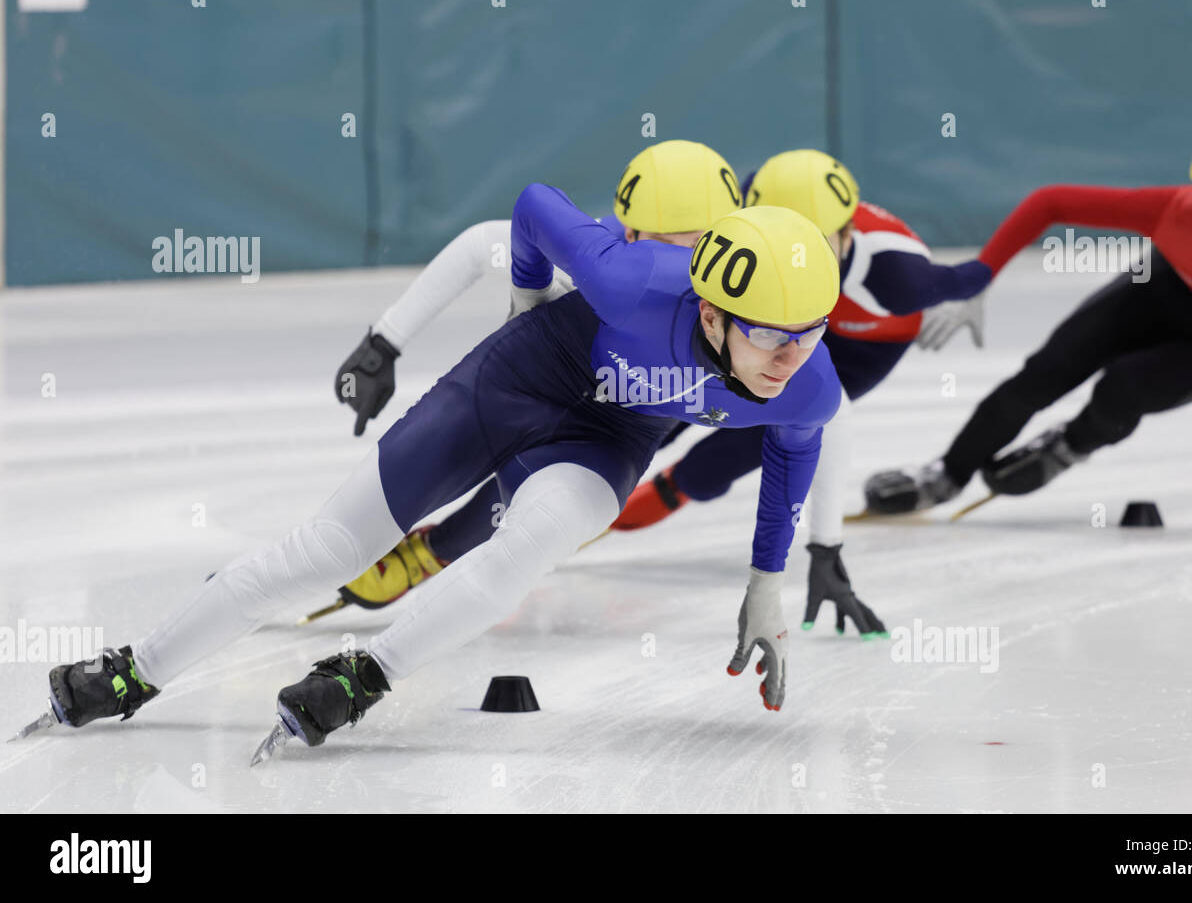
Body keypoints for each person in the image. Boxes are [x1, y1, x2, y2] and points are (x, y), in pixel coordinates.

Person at [36, 186, 844, 755]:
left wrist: (767, 582)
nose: (791, 357)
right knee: (328, 549)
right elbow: (529, 206)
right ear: (710, 311)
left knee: (521, 552)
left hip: (605, 441)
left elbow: (793, 447)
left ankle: (365, 674)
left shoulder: (807, 380)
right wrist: (529, 307)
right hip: (520, 378)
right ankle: (136, 670)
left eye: (810, 333)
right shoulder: (629, 284)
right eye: (774, 336)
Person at [330, 140, 740, 612]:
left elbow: (807, 402)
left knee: (523, 493)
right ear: (628, 234)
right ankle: (428, 549)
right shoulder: (594, 265)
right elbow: (483, 245)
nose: (682, 269)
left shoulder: (739, 294)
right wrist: (383, 343)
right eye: (672, 244)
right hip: (560, 383)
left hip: (640, 411)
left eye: (705, 244)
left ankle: (433, 552)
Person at [608, 149, 992, 632]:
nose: (801, 260)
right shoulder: (753, 213)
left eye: (819, 245)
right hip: (772, 314)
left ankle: (662, 495)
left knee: (741, 442)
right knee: (676, 392)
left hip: (861, 343)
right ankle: (600, 488)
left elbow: (971, 275)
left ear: (848, 235)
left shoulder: (899, 281)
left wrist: (824, 548)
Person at [865, 121, 1192, 513]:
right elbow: (1049, 202)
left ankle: (1068, 446)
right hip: (1165, 290)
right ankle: (947, 473)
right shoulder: (1172, 211)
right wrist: (981, 276)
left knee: (1124, 389)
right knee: (1045, 372)